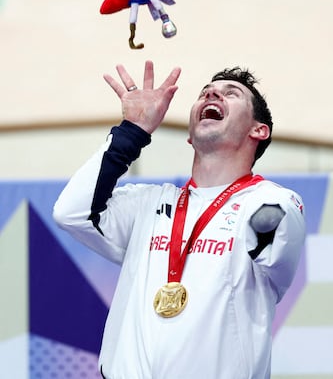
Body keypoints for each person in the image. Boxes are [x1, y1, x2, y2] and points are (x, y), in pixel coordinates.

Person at [53, 60, 305, 379]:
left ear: (259, 130)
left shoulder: (271, 202)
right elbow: (71, 212)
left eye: (231, 93)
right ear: (189, 136)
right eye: (205, 93)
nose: (213, 93)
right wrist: (133, 131)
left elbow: (275, 236)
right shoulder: (149, 203)